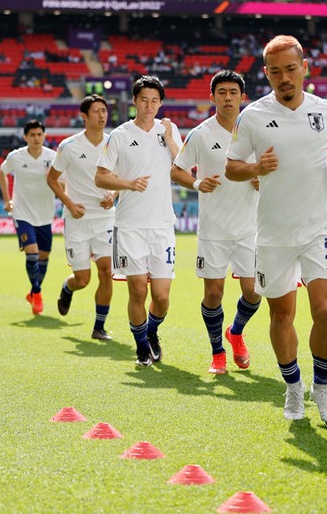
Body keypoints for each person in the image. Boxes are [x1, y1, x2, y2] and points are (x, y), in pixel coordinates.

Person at [225, 35, 327, 425]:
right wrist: (255, 169)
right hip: (274, 232)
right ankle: (294, 388)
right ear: (266, 73)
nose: (284, 77)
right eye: (275, 71)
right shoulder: (253, 117)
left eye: (290, 69)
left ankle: (323, 388)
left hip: (319, 226)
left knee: (325, 310)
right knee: (281, 315)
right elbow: (232, 167)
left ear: (305, 68)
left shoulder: (326, 110)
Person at [171, 70, 261, 375]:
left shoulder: (257, 131)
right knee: (213, 295)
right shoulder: (200, 133)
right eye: (221, 92)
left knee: (254, 291)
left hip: (250, 227)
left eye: (233, 92)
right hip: (213, 230)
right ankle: (217, 352)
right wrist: (197, 183)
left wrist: (262, 179)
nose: (227, 97)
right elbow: (177, 170)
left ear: (242, 97)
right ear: (212, 98)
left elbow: (269, 169)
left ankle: (235, 332)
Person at [96, 75, 183, 367]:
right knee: (137, 289)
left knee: (161, 296)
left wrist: (170, 140)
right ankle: (141, 346)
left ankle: (151, 332)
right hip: (130, 225)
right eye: (144, 99)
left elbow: (183, 167)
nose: (149, 105)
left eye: (155, 100)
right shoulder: (119, 135)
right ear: (134, 101)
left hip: (161, 225)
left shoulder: (169, 130)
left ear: (161, 103)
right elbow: (101, 176)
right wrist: (128, 183)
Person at [46, 95, 116, 341]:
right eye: (96, 111)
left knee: (106, 272)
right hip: (77, 219)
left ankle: (99, 327)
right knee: (83, 279)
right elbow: (52, 179)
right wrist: (69, 203)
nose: (102, 115)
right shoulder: (69, 146)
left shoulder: (113, 143)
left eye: (104, 110)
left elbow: (122, 176)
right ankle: (68, 288)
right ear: (84, 116)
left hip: (106, 218)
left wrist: (114, 194)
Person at [0, 119, 57, 315]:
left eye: (39, 134)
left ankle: (33, 291)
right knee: (32, 253)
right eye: (32, 135)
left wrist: (53, 178)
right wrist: (7, 200)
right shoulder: (16, 157)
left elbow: (63, 183)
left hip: (45, 214)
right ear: (25, 137)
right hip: (22, 213)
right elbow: (1, 173)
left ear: (44, 136)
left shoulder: (53, 157)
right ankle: (37, 292)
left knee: (44, 257)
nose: (36, 138)